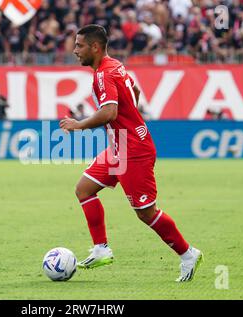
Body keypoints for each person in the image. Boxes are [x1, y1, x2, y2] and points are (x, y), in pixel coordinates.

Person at [60, 25, 203, 282]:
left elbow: (110, 112)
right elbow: (132, 93)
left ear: (95, 47)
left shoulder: (103, 74)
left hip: (133, 150)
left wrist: (78, 125)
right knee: (84, 189)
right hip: (119, 145)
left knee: (145, 212)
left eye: (79, 45)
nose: (75, 51)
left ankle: (188, 254)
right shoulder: (115, 65)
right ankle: (101, 248)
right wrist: (130, 112)